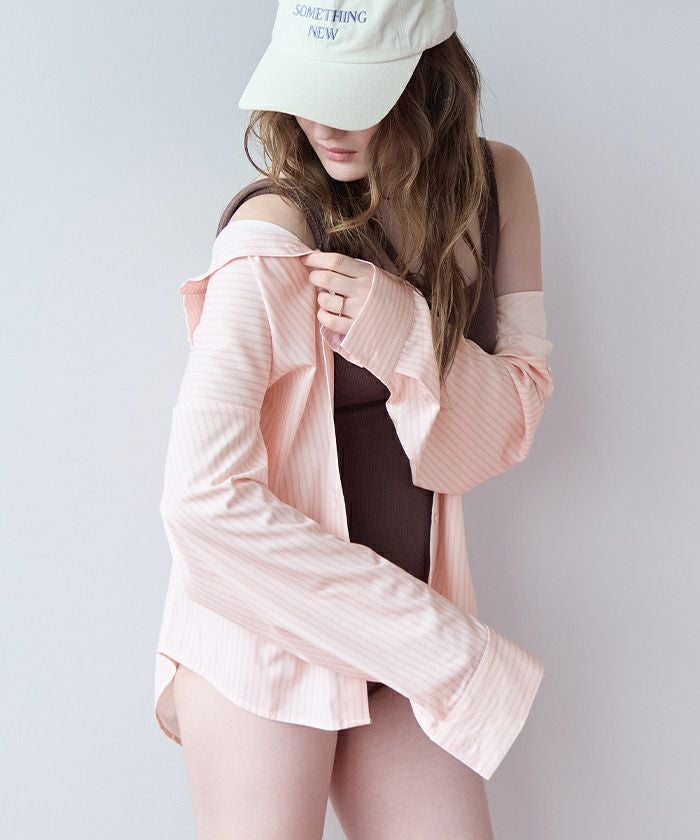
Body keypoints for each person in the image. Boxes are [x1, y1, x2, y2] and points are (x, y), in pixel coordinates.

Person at [154, 1, 555, 837]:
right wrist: (442, 647)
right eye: (308, 90)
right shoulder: (274, 231)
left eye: (354, 94)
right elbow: (200, 503)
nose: (325, 124)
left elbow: (515, 418)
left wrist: (406, 334)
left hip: (404, 634)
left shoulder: (499, 187)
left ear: (429, 79)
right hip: (264, 633)